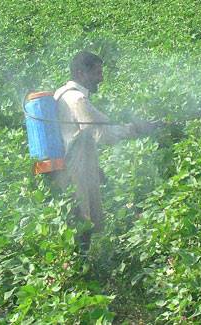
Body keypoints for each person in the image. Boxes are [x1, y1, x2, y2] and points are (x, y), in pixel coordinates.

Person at [52, 51, 154, 246]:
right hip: (75, 171)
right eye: (97, 73)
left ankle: (82, 265)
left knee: (76, 222)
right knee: (84, 224)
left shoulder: (61, 94)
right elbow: (100, 134)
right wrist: (133, 130)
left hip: (69, 169)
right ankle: (82, 268)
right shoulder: (77, 100)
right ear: (82, 74)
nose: (101, 78)